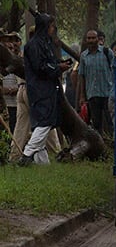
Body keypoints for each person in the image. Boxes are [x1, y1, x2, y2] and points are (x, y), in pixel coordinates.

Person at [19, 13, 71, 165]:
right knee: (44, 122)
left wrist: (59, 64)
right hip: (39, 89)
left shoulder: (45, 43)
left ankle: (43, 164)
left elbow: (49, 62)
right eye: (51, 26)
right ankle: (27, 154)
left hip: (48, 88)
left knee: (46, 123)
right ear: (46, 26)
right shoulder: (33, 45)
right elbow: (40, 67)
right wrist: (57, 68)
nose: (53, 29)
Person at [77, 28, 115, 136]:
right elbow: (82, 75)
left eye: (93, 38)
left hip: (107, 92)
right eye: (89, 38)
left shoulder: (107, 53)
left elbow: (114, 71)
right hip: (92, 94)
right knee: (96, 122)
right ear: (86, 40)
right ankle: (101, 145)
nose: (91, 40)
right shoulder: (84, 56)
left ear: (98, 39)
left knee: (110, 120)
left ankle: (112, 143)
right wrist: (82, 96)